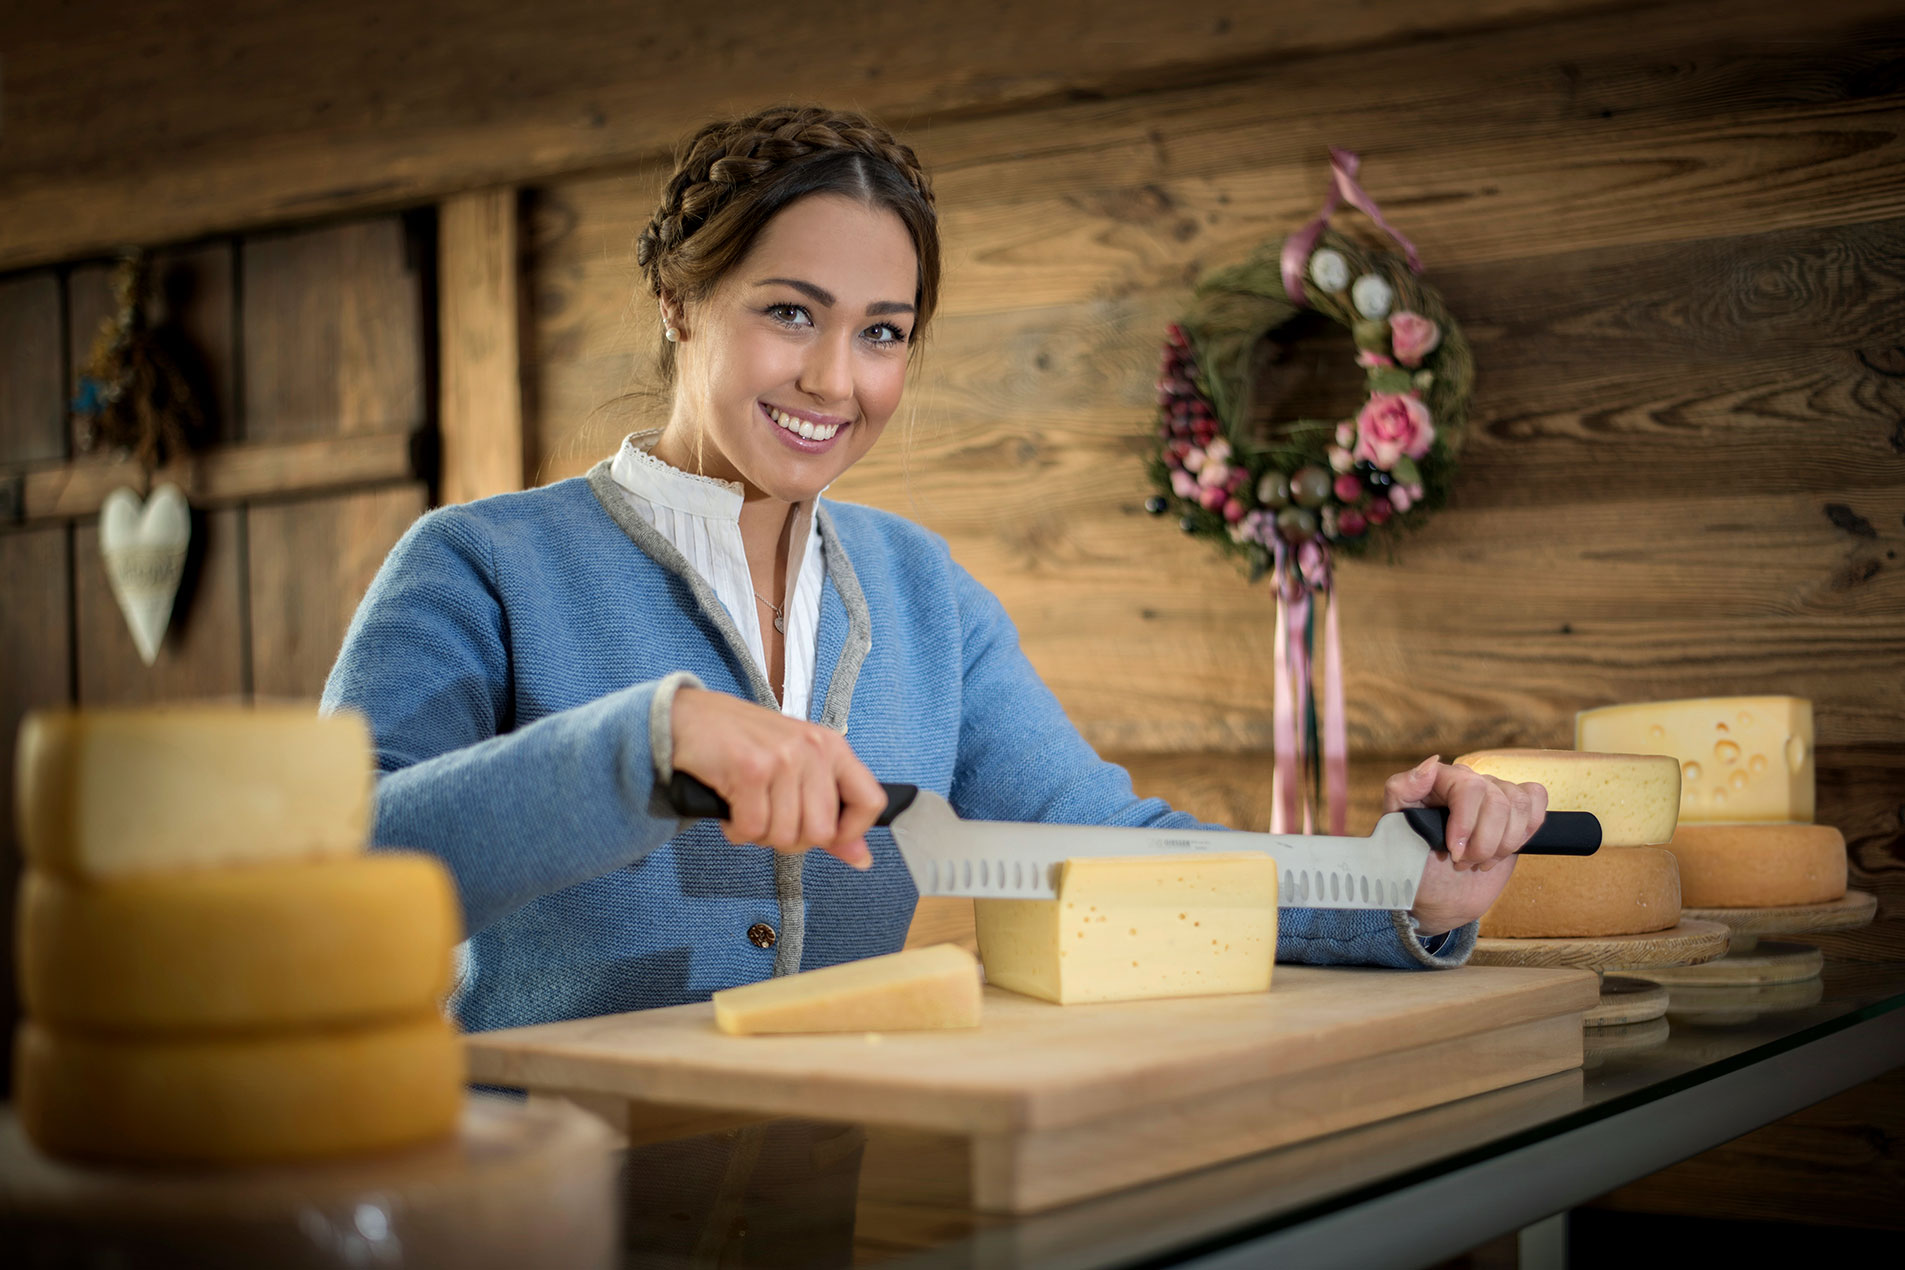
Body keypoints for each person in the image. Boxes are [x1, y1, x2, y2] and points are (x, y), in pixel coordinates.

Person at [322, 105, 1548, 1034]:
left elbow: (1111, 845)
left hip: (834, 1207)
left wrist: (1403, 892)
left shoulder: (924, 595)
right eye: (790, 313)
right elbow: (330, 872)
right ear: (679, 299)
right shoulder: (480, 565)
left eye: (882, 334)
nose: (834, 381)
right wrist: (644, 742)